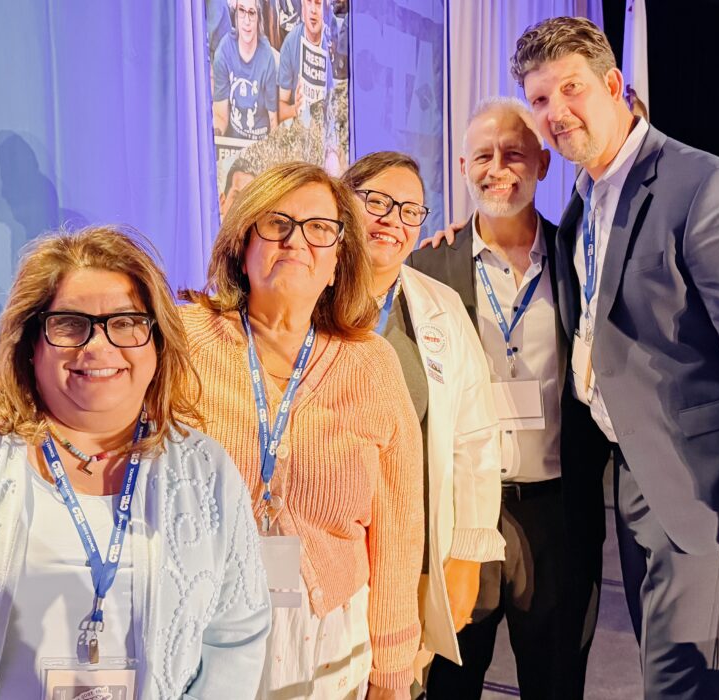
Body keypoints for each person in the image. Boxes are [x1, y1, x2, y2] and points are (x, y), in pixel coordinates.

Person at [0, 226, 271, 699]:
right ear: (30, 342)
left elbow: (237, 637)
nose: (99, 346)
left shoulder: (204, 471)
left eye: (126, 321)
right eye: (69, 324)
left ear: (158, 341)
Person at [515, 17, 719, 698]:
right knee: (664, 668)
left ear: (614, 85)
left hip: (703, 483)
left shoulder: (704, 186)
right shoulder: (584, 199)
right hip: (634, 468)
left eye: (570, 89)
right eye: (538, 100)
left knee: (682, 675)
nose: (555, 113)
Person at [180, 161, 424, 698]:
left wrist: (392, 671)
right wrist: (1, 402)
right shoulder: (184, 341)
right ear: (244, 246)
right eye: (277, 223)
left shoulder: (372, 364)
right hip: (204, 630)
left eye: (319, 229)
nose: (296, 241)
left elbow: (398, 527)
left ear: (339, 262)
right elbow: (88, 386)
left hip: (331, 641)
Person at [409, 98, 610, 699]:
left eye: (515, 154)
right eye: (483, 156)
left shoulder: (579, 261)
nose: (498, 168)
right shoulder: (427, 268)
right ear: (464, 166)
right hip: (458, 516)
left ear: (543, 164)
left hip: (558, 513)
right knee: (449, 682)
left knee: (555, 682)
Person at [341, 152, 504, 687]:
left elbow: (474, 438)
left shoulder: (440, 307)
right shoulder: (309, 297)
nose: (394, 219)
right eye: (378, 202)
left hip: (409, 555)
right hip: (326, 547)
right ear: (342, 202)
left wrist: (465, 557)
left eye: (411, 210)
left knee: (399, 681)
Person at [213, 0, 279, 141]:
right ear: (235, 14)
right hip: (233, 142)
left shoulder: (267, 57)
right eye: (242, 11)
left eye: (251, 12)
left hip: (260, 142)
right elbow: (220, 114)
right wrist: (215, 136)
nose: (246, 21)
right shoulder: (224, 51)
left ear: (259, 17)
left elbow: (273, 120)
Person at [277, 0, 344, 125]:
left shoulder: (330, 33)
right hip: (299, 131)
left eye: (318, 3)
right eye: (309, 2)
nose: (313, 10)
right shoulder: (290, 44)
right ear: (302, 6)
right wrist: (294, 109)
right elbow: (279, 109)